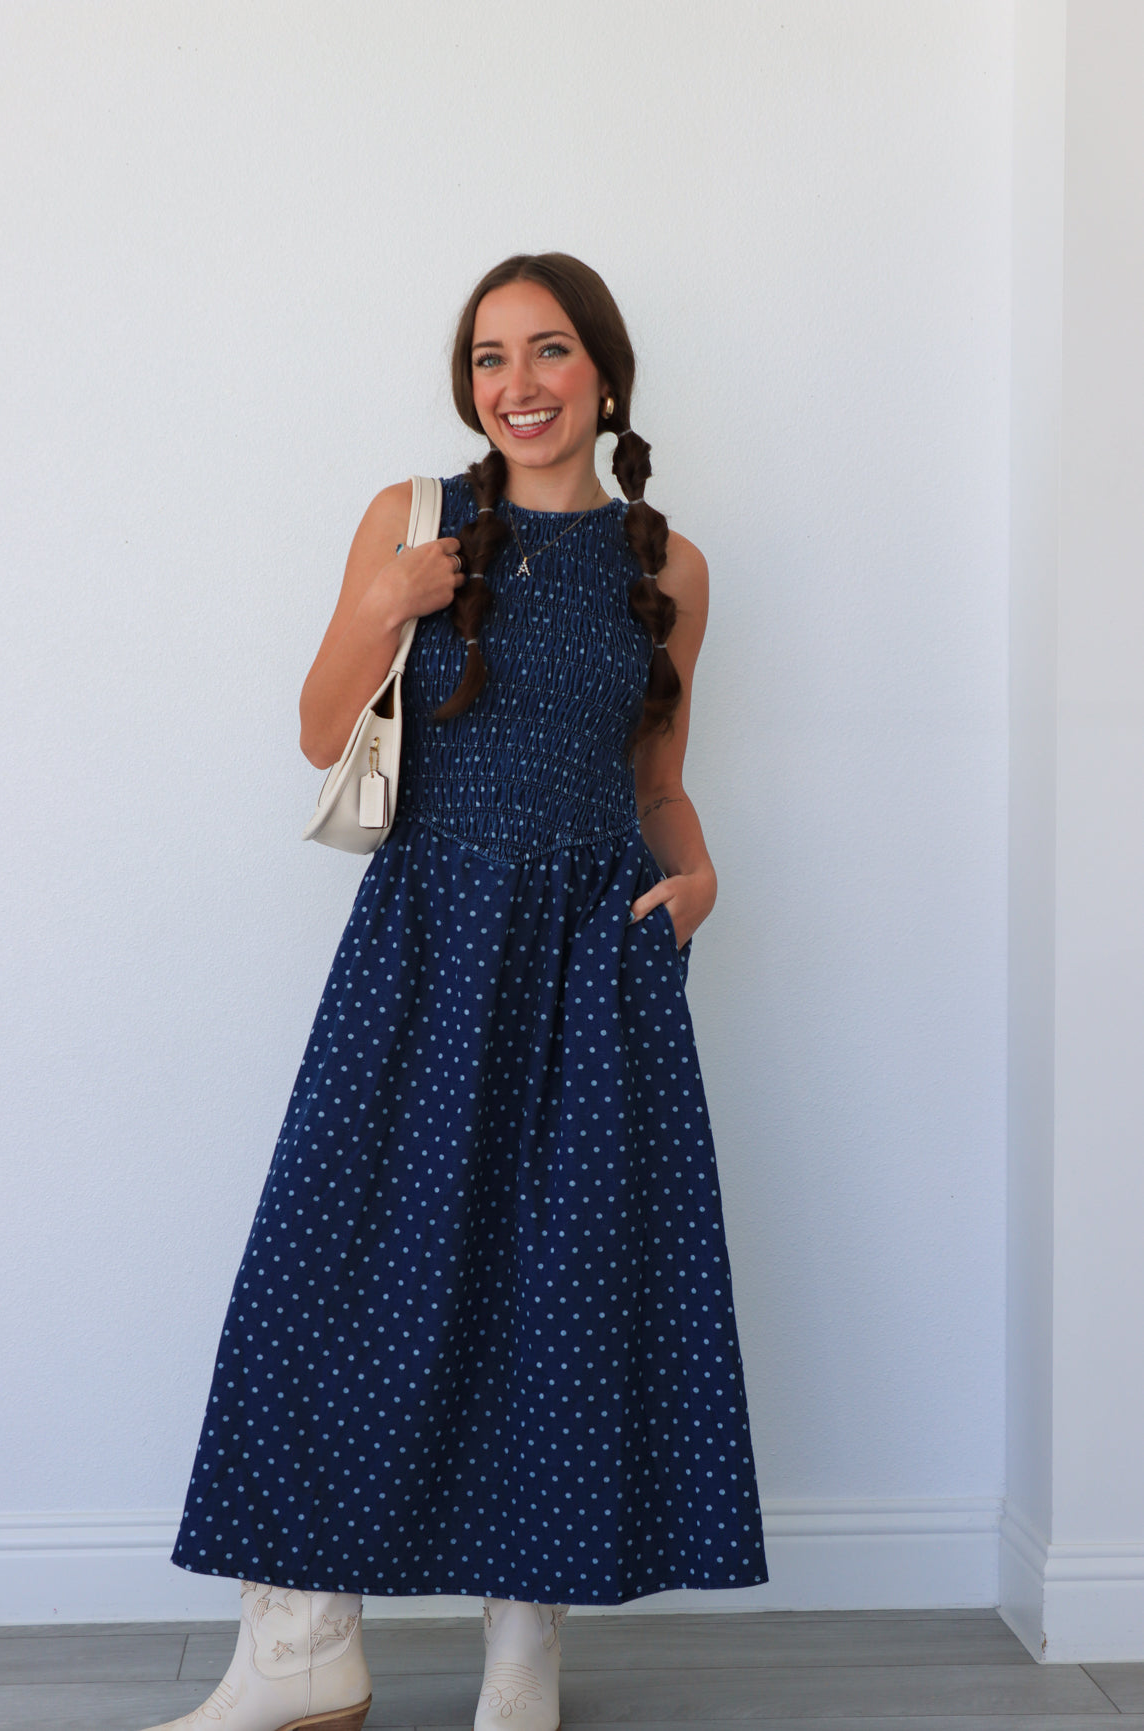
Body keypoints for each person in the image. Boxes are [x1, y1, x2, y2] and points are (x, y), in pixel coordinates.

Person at [146, 253, 767, 1731]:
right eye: (489, 359)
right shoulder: (414, 521)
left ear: (603, 374)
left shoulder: (666, 569)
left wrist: (700, 882)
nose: (519, 386)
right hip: (422, 946)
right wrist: (385, 601)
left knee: (554, 1304)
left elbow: (658, 786)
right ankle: (299, 1657)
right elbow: (318, 732)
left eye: (548, 353)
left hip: (591, 968)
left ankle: (520, 1666)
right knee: (325, 1278)